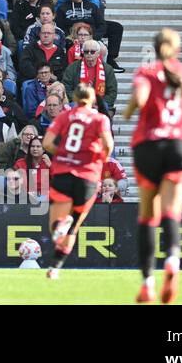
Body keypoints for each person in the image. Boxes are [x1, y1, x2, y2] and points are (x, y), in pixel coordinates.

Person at [123, 28, 182, 304]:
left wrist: (128, 112)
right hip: (180, 146)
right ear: (178, 49)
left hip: (148, 146)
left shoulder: (147, 73)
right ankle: (173, 265)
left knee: (148, 216)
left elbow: (139, 100)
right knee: (172, 214)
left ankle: (147, 284)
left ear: (155, 48)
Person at [41, 84, 113, 279]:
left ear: (73, 97)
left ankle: (61, 227)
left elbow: (47, 143)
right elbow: (108, 144)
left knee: (56, 226)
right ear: (92, 100)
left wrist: (64, 154)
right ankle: (55, 267)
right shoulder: (100, 119)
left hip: (64, 173)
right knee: (74, 227)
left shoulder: (65, 116)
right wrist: (100, 159)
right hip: (88, 177)